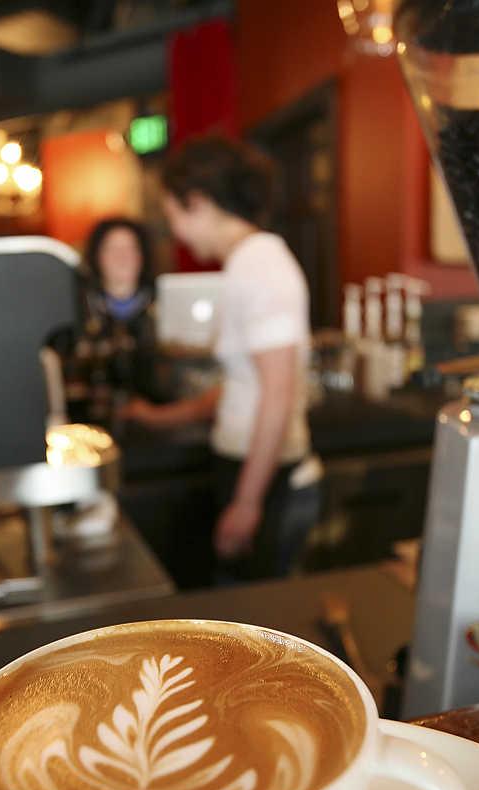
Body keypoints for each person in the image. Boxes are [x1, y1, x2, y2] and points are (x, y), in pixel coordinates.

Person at [122, 135, 321, 581]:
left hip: (270, 481)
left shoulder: (260, 265)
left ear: (199, 202)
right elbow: (243, 387)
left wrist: (247, 503)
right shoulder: (248, 263)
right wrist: (158, 418)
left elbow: (278, 391)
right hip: (255, 471)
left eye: (171, 213)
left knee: (255, 627)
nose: (174, 230)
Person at [41, 217, 161, 429]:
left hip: (158, 428)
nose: (122, 257)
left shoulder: (162, 309)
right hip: (92, 429)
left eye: (130, 248)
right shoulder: (74, 314)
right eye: (112, 249)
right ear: (97, 257)